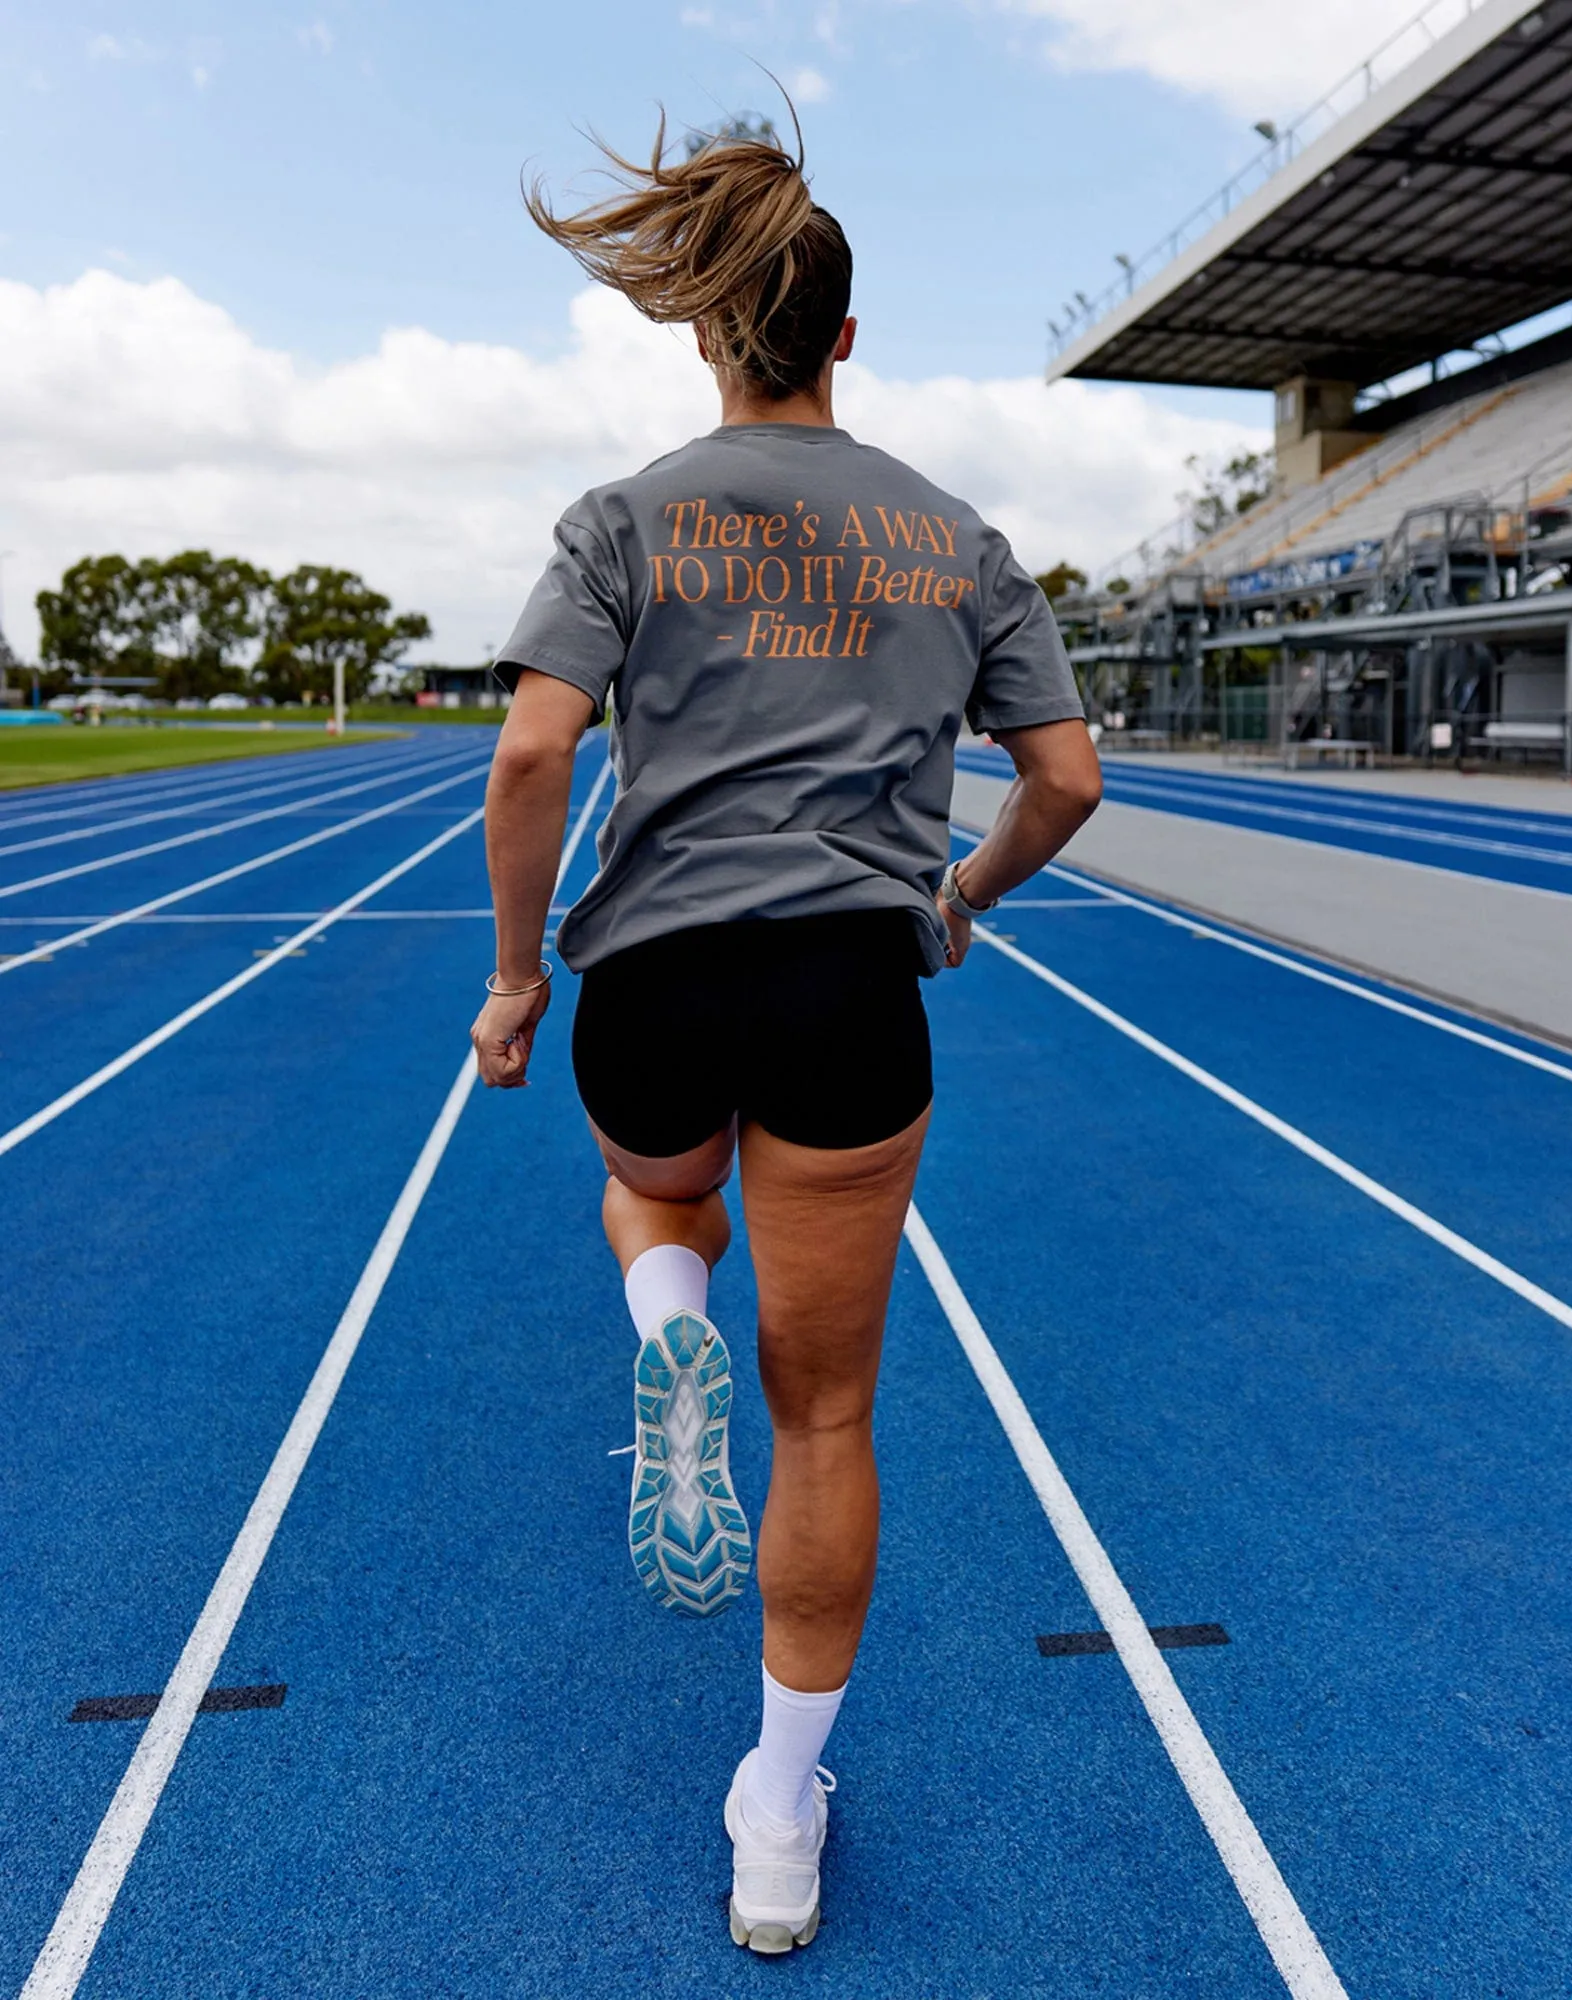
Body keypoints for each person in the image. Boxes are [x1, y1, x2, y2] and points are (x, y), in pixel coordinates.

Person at [469, 116, 1102, 1955]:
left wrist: (516, 982)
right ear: (843, 334)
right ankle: (773, 1819)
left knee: (654, 1207)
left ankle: (666, 1322)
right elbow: (1066, 778)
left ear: (710, 334)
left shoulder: (625, 514)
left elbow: (529, 755)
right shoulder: (953, 535)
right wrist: (962, 894)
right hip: (846, 991)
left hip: (655, 984)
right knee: (824, 1414)